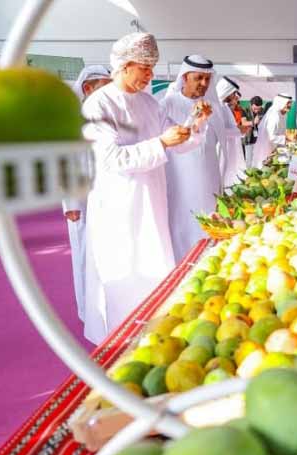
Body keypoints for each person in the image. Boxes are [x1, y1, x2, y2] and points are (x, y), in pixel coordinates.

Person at [79, 33, 209, 345]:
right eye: (144, 68)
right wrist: (160, 143)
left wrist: (196, 124)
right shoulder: (100, 104)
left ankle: (151, 339)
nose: (150, 75)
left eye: (152, 68)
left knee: (154, 276)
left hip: (152, 205)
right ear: (123, 66)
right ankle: (116, 348)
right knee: (121, 276)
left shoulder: (150, 103)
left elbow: (176, 144)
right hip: (118, 208)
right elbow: (111, 159)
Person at [63, 64, 112, 321]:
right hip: (81, 201)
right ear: (87, 88)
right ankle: (86, 311)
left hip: (107, 198)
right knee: (84, 255)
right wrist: (71, 204)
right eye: (104, 86)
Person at [159, 54, 220, 261]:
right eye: (198, 78)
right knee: (183, 223)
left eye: (207, 79)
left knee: (210, 223)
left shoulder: (214, 105)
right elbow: (172, 141)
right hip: (180, 180)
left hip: (210, 178)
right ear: (185, 77)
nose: (204, 84)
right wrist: (194, 119)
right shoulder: (168, 103)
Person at [215, 76, 249, 188]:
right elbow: (217, 131)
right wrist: (239, 131)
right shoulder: (216, 106)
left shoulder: (224, 107)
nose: (235, 96)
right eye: (233, 93)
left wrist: (240, 130)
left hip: (229, 149)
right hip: (220, 150)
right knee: (219, 178)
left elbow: (230, 127)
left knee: (227, 177)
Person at [251, 93, 292, 169]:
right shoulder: (274, 115)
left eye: (290, 103)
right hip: (266, 149)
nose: (290, 106)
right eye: (288, 103)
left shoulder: (283, 113)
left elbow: (280, 132)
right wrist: (286, 139)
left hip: (276, 148)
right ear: (281, 103)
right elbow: (271, 137)